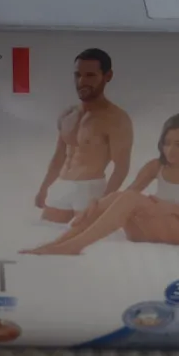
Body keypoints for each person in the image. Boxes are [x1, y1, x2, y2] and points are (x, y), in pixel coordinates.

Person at [22, 110, 179, 255]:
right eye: (166, 143)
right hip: (150, 227)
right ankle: (58, 243)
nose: (170, 150)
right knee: (120, 197)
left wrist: (170, 208)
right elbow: (126, 196)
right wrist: (97, 204)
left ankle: (75, 246)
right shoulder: (156, 166)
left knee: (130, 198)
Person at [35, 48, 133, 224]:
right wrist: (44, 188)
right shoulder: (68, 114)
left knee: (83, 238)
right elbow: (59, 157)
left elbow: (121, 167)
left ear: (107, 76)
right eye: (77, 75)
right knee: (46, 232)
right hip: (62, 186)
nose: (82, 81)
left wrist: (103, 202)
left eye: (90, 75)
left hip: (90, 189)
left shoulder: (116, 119)